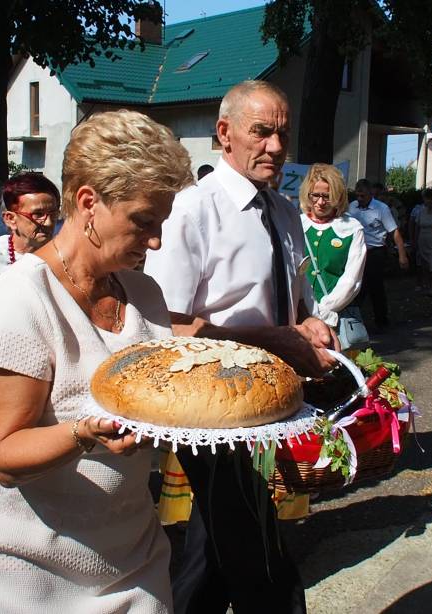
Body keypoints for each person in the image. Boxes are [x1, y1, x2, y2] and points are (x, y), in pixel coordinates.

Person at [0, 110, 194, 613]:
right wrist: (85, 433)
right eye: (143, 221)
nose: (156, 241)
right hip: (21, 566)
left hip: (130, 553)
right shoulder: (18, 298)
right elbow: (4, 455)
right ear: (88, 202)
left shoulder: (145, 294)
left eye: (161, 223)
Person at [145, 80, 336, 614]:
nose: (275, 147)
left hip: (275, 401)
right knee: (260, 557)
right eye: (262, 132)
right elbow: (167, 326)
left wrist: (309, 325)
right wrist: (269, 340)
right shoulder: (192, 211)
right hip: (214, 407)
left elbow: (292, 303)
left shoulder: (284, 212)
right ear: (224, 133)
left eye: (283, 134)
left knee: (214, 549)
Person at [298, 163, 366, 323]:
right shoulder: (296, 223)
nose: (321, 202)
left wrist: (323, 310)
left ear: (338, 196)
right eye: (315, 195)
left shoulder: (351, 228)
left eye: (327, 196)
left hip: (333, 316)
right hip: (297, 313)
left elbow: (352, 279)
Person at [0, 172, 60, 280]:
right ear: (10, 219)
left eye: (53, 214)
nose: (49, 222)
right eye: (38, 214)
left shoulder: (63, 257)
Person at [349, 178, 409, 330]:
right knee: (355, 285)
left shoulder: (381, 208)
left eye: (363, 196)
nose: (359, 198)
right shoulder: (352, 207)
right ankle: (353, 320)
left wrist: (402, 255)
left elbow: (394, 232)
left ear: (370, 194)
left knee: (375, 287)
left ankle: (381, 321)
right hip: (356, 251)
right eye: (357, 195)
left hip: (375, 252)